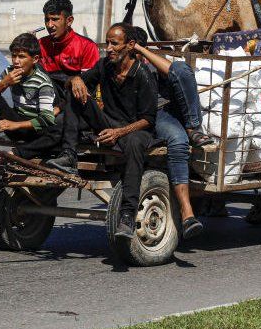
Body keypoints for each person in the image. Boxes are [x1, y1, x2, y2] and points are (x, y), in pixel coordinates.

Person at [49, 23, 156, 238]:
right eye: (107, 43)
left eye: (114, 44)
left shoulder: (143, 74)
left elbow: (148, 119)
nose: (108, 48)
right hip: (107, 123)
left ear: (130, 46)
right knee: (75, 92)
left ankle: (127, 214)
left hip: (134, 130)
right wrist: (75, 79)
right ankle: (68, 155)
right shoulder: (104, 65)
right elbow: (77, 83)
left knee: (135, 144)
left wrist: (119, 133)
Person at [128, 26, 212, 239]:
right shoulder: (117, 65)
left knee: (182, 69)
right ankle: (187, 213)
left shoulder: (152, 63)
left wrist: (141, 50)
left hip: (175, 109)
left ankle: (193, 126)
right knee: (178, 140)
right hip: (155, 115)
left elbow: (176, 72)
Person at [0, 33, 62, 158]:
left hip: (33, 129)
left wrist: (14, 125)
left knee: (56, 132)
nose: (16, 61)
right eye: (14, 56)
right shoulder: (9, 71)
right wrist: (4, 83)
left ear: (35, 59)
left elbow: (47, 118)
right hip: (15, 125)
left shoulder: (43, 82)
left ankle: (16, 154)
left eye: (21, 57)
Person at [38, 0, 100, 96]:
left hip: (75, 104)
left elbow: (88, 85)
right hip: (46, 102)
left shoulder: (87, 47)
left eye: (55, 19)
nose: (49, 25)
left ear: (69, 21)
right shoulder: (39, 44)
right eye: (47, 20)